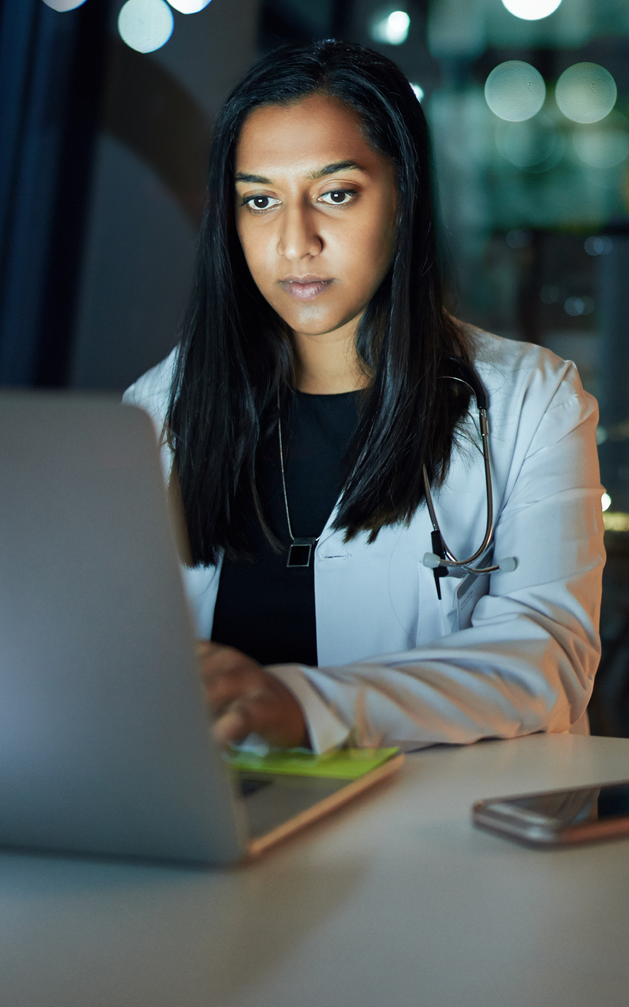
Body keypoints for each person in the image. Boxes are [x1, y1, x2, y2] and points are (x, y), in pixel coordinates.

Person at [123, 41, 604, 752]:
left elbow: (546, 660)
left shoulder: (532, 401)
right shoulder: (158, 410)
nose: (295, 241)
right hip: (212, 823)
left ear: (403, 197)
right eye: (259, 200)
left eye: (336, 194)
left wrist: (298, 702)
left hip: (430, 837)